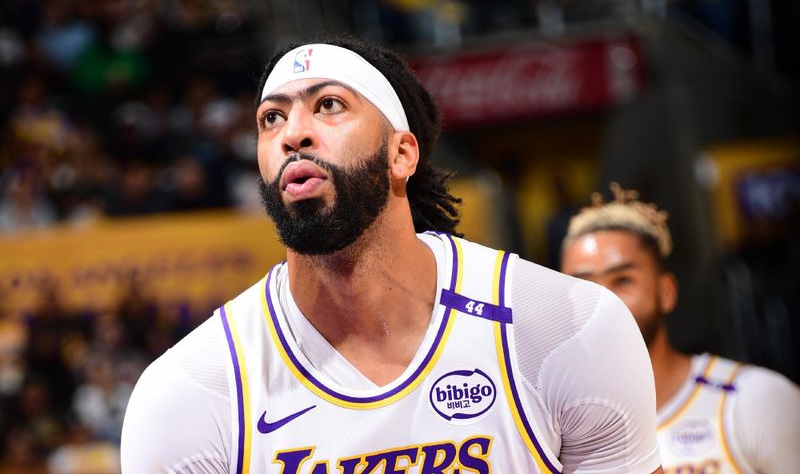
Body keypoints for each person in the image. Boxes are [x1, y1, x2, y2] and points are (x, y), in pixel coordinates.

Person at [121, 36, 663, 473]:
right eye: (271, 119)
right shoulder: (192, 392)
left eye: (328, 105)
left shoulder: (562, 327)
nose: (294, 134)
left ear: (402, 153)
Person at [560, 183, 800, 474]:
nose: (602, 301)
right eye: (582, 286)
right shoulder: (553, 437)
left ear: (667, 292)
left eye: (623, 280)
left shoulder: (755, 400)